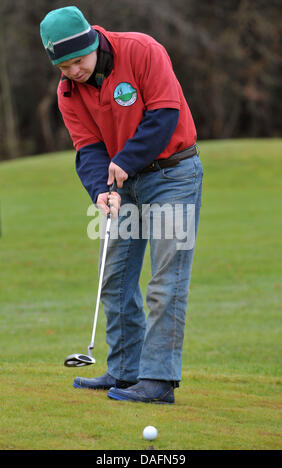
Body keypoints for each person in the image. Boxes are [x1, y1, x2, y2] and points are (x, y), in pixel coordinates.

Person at [40, 6, 203, 404]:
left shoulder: (142, 51)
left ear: (93, 43)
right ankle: (126, 371)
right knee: (114, 278)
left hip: (172, 176)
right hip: (122, 186)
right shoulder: (68, 93)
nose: (74, 71)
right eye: (64, 67)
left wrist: (123, 163)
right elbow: (88, 148)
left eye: (78, 61)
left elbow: (165, 114)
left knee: (165, 281)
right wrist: (99, 188)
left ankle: (159, 380)